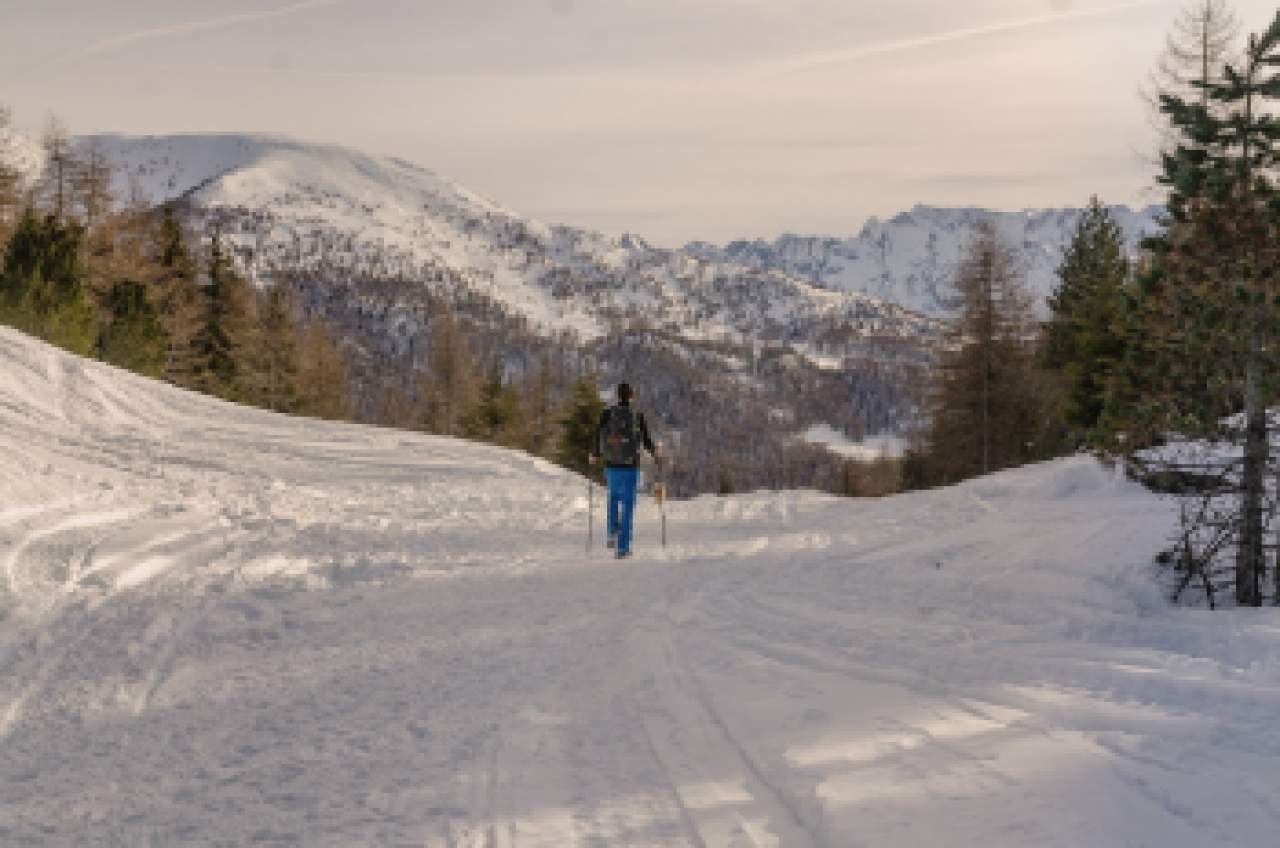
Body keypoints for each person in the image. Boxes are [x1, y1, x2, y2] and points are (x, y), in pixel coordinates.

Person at [590, 382, 659, 559]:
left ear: (617, 395)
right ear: (632, 396)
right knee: (628, 505)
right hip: (630, 467)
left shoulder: (607, 413)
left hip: (612, 465)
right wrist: (655, 453)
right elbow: (646, 440)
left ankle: (612, 531)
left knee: (613, 497)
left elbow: (598, 434)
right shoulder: (637, 416)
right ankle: (623, 547)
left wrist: (595, 454)